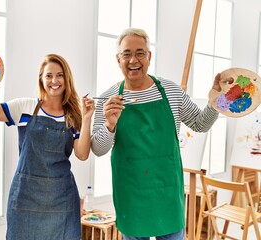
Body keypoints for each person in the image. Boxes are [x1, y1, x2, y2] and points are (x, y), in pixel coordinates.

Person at [91, 28, 233, 240]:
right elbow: (98, 149)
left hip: (167, 193)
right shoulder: (108, 98)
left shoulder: (171, 91)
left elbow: (200, 124)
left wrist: (216, 100)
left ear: (149, 57)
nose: (133, 60)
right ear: (118, 59)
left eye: (140, 53)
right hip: (131, 195)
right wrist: (110, 125)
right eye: (126, 54)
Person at [0, 53, 95, 240]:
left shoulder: (74, 115)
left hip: (62, 201)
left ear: (66, 78)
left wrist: (86, 119)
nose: (54, 80)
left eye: (59, 75)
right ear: (41, 79)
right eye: (49, 75)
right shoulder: (25, 107)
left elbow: (83, 154)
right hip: (26, 198)